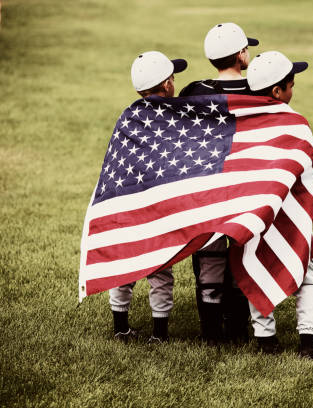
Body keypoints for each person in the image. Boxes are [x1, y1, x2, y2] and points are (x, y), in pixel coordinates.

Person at [179, 22, 259, 346]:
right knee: (242, 255)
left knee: (210, 258)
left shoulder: (194, 92)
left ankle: (211, 332)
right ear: (241, 54)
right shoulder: (261, 89)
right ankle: (239, 329)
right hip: (247, 192)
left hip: (207, 192)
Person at [246, 51, 313, 358]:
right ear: (277, 91)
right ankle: (308, 339)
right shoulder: (296, 123)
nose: (294, 89)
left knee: (255, 266)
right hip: (289, 215)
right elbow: (309, 169)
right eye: (291, 84)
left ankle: (265, 339)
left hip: (254, 215)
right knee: (307, 275)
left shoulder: (242, 124)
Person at [109, 51, 187, 344]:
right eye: (173, 78)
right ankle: (159, 334)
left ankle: (120, 327)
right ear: (166, 85)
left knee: (124, 264)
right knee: (160, 268)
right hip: (157, 205)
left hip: (126, 201)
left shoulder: (127, 115)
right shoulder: (173, 117)